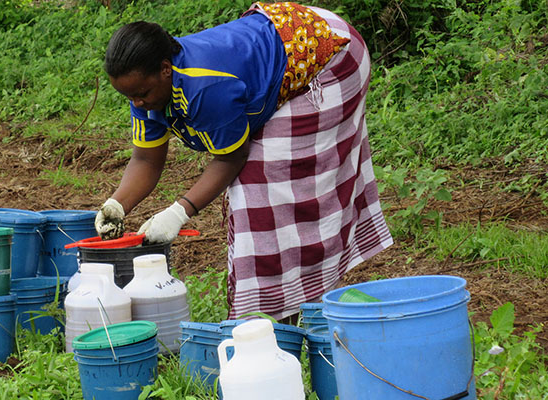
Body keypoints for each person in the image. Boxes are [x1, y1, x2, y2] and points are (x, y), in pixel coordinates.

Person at [95, 1, 393, 320]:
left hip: (326, 51)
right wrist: (116, 205)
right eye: (130, 97)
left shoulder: (206, 88)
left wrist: (179, 212)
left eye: (142, 93)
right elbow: (146, 160)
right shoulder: (146, 90)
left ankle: (286, 307)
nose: (138, 103)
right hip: (279, 36)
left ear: (166, 69)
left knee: (266, 185)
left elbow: (232, 157)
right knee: (260, 192)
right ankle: (279, 307)